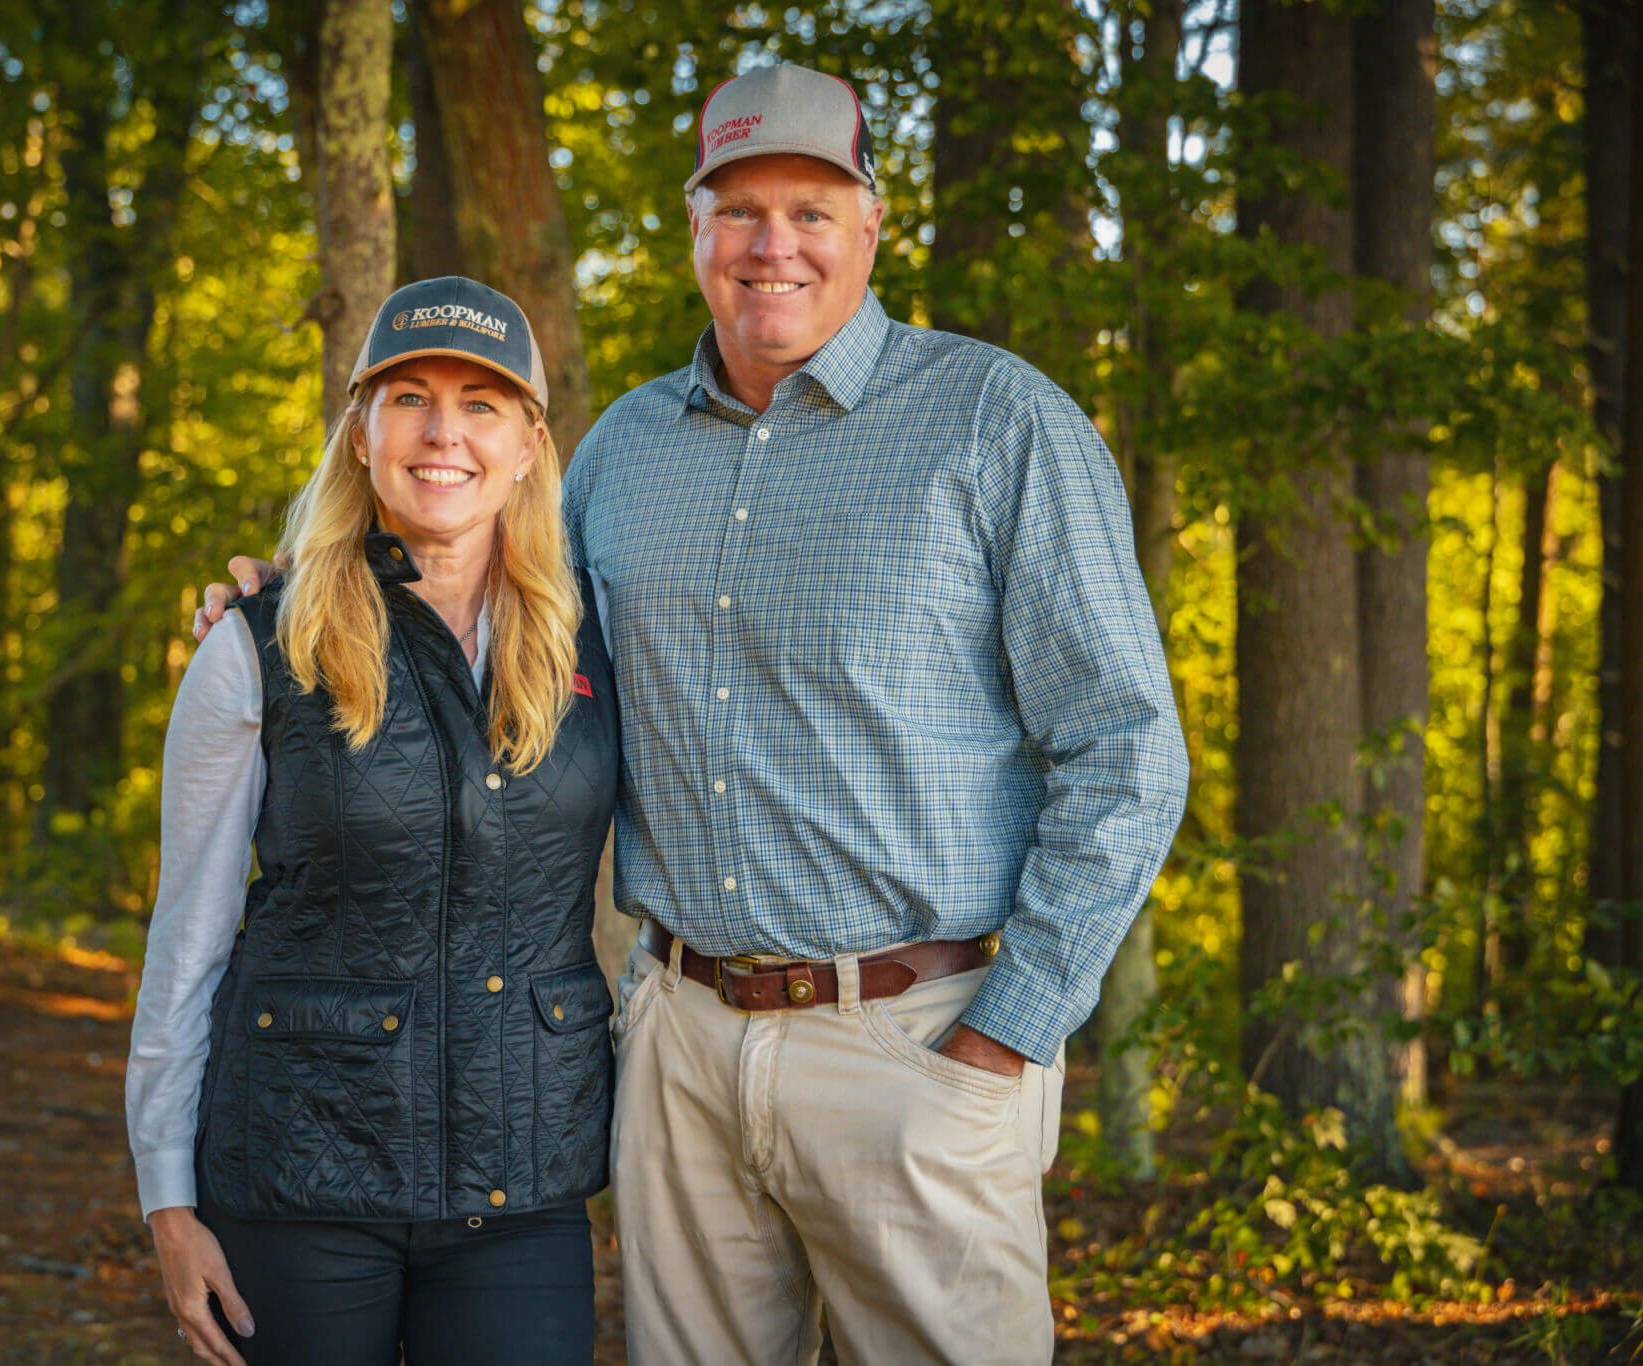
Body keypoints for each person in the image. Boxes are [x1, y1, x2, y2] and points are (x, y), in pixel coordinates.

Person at [200, 63, 1188, 1366]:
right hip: (677, 1043)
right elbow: (468, 596)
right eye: (739, 209)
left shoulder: (998, 423)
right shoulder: (619, 451)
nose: (771, 244)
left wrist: (1016, 1025)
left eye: (810, 208)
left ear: (871, 225)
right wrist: (282, 601)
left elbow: (1126, 748)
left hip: (919, 1035)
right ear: (695, 228)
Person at [131, 276, 619, 1366]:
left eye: (481, 403)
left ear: (530, 444)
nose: (442, 432)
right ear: (360, 432)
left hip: (521, 1182)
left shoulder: (596, 639)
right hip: (300, 1174)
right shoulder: (255, 644)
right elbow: (188, 937)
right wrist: (165, 1197)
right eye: (407, 396)